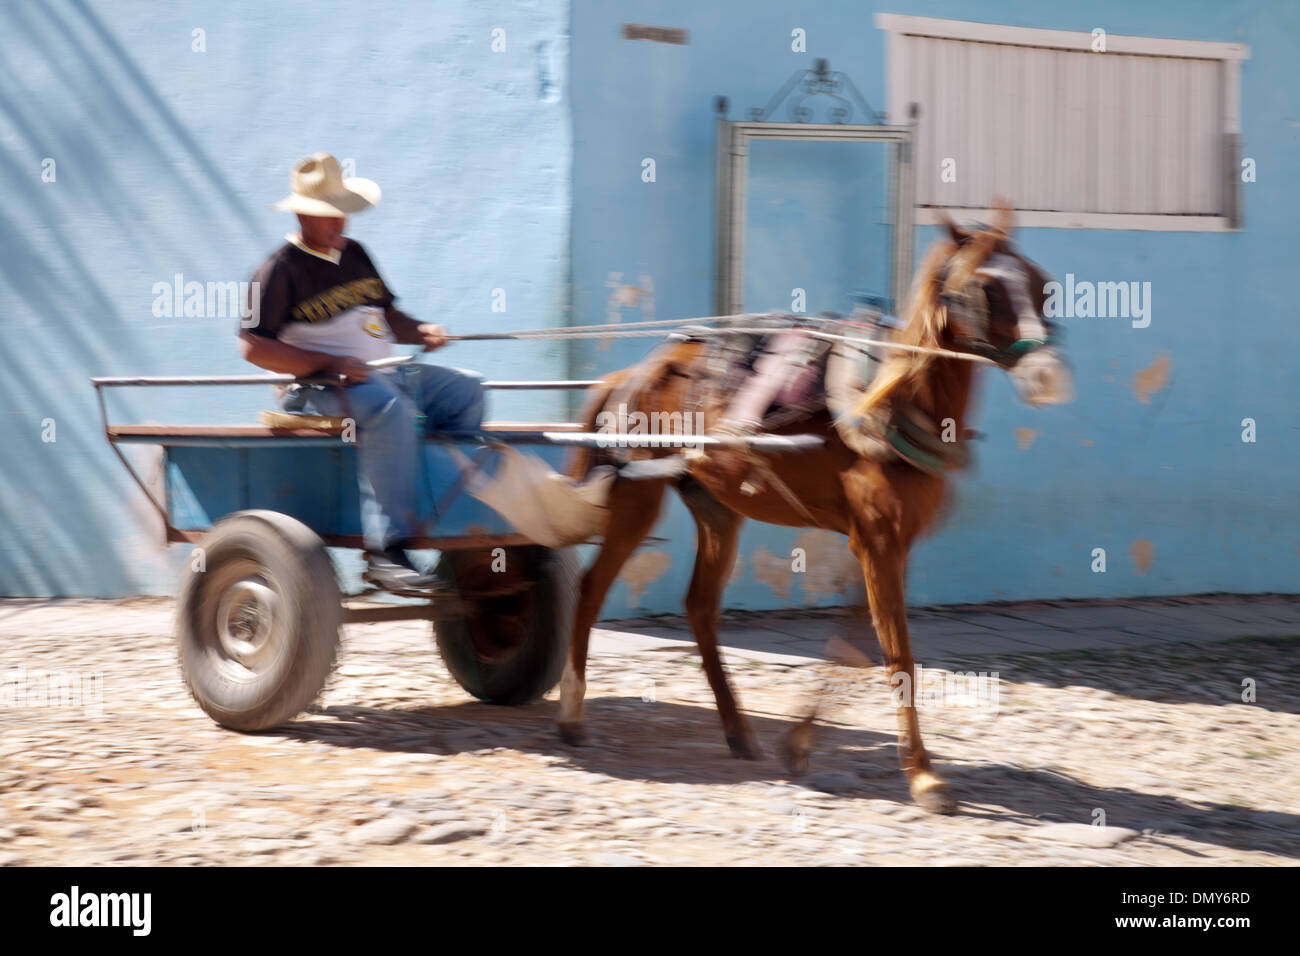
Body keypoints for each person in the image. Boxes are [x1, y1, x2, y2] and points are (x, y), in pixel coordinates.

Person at [239, 153, 485, 590]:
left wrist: (422, 329)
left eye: (342, 214)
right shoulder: (278, 270)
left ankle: (444, 524)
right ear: (301, 213)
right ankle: (385, 551)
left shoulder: (357, 255)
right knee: (391, 410)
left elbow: (387, 318)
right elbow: (254, 347)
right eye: (327, 215)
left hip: (385, 376)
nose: (340, 224)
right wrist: (328, 364)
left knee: (466, 391)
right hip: (318, 389)